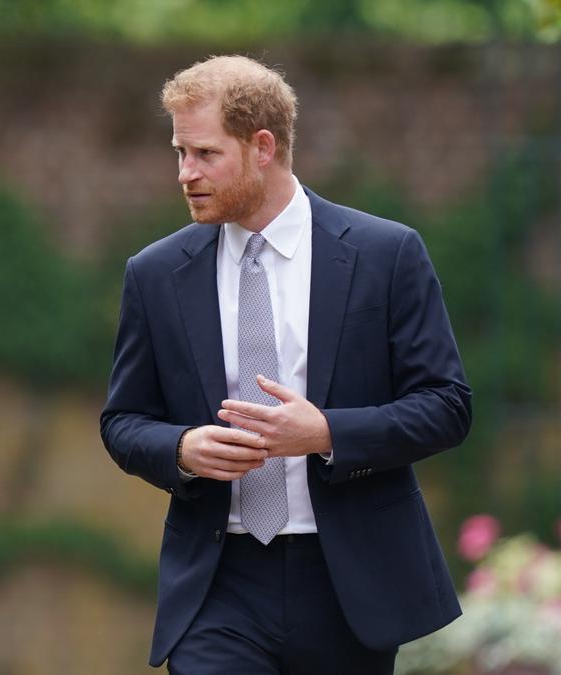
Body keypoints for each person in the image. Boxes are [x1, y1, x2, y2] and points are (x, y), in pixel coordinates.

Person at [100, 55, 471, 674]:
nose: (185, 174)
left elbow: (447, 406)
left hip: (350, 581)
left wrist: (326, 434)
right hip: (218, 583)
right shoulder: (155, 273)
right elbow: (123, 421)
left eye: (205, 154)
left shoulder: (386, 254)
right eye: (180, 153)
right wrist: (183, 448)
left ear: (262, 146)